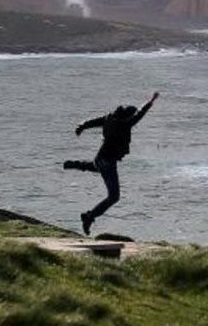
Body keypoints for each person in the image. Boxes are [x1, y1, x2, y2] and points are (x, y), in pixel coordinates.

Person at [63, 91, 160, 235]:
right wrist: (151, 101)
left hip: (100, 158)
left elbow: (92, 122)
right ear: (128, 116)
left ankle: (74, 164)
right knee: (114, 197)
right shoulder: (125, 124)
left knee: (97, 167)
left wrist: (81, 126)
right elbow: (140, 113)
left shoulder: (109, 118)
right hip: (107, 161)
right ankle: (89, 216)